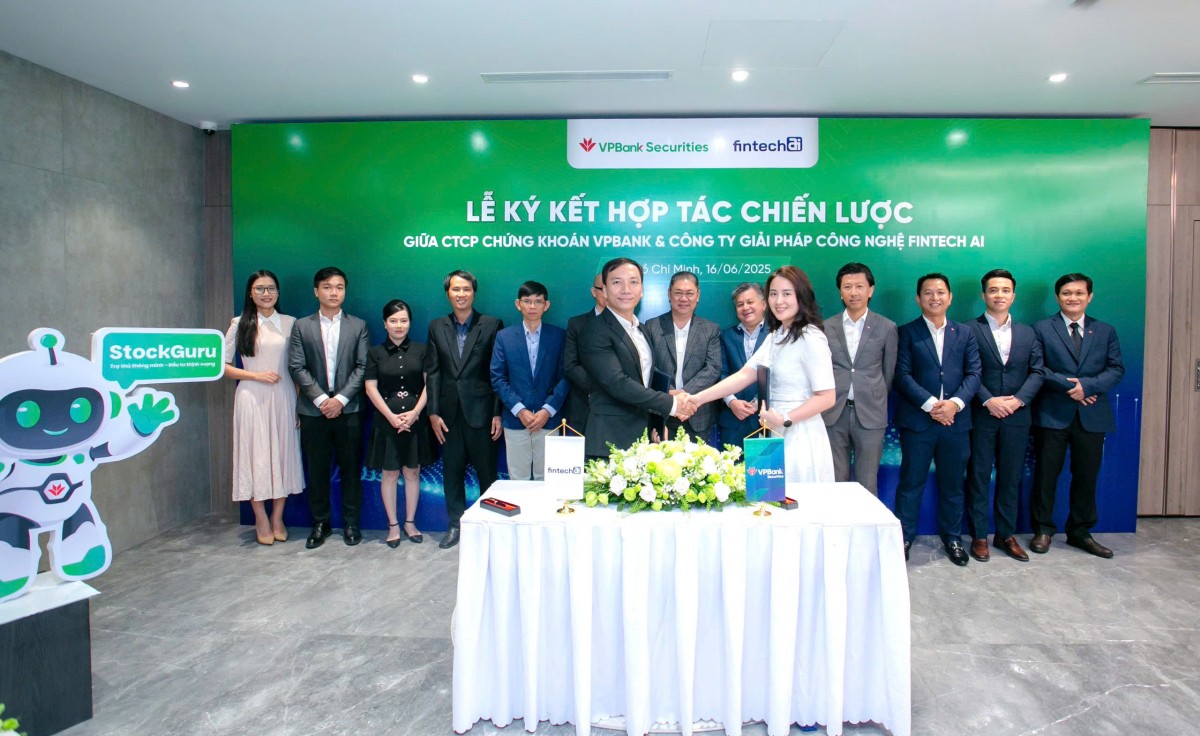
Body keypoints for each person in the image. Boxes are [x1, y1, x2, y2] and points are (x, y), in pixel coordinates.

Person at [685, 266, 836, 483]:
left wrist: (785, 419)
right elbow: (744, 375)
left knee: (797, 497)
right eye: (773, 294)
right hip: (773, 432)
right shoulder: (776, 336)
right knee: (768, 496)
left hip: (800, 434)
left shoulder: (811, 337)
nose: (778, 301)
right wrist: (696, 399)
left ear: (801, 296)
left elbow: (827, 397)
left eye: (786, 293)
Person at [1029, 273, 1125, 558]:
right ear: (1058, 297)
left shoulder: (1105, 330)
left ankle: (1080, 532)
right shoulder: (1041, 328)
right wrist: (1073, 387)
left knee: (1087, 475)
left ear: (1090, 297)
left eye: (1079, 293)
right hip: (1052, 413)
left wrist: (1088, 387)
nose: (1073, 298)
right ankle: (1043, 529)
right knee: (1046, 474)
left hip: (1092, 415)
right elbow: (1038, 368)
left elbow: (1116, 369)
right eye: (1067, 293)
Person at [893, 273, 981, 566]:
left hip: (956, 423)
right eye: (928, 293)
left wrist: (954, 404)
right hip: (918, 423)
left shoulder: (965, 333)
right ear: (918, 299)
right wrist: (932, 405)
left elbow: (974, 373)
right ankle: (903, 537)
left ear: (950, 297)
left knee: (953, 484)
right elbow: (902, 375)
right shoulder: (906, 332)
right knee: (910, 483)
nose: (935, 298)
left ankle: (952, 538)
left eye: (940, 292)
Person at [288, 266, 371, 549]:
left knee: (351, 470)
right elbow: (296, 366)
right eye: (327, 287)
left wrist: (340, 400)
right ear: (316, 291)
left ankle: (351, 524)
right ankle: (320, 524)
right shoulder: (301, 326)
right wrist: (323, 400)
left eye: (339, 287)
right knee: (317, 470)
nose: (333, 292)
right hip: (314, 411)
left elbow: (362, 366)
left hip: (349, 410)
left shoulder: (358, 325)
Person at [578, 257, 693, 460]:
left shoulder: (641, 329)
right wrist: (671, 403)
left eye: (633, 282)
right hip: (610, 441)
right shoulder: (594, 330)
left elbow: (642, 376)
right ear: (604, 290)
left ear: (641, 290)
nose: (626, 289)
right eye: (617, 282)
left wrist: (661, 409)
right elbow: (617, 383)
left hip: (643, 439)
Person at [964, 269, 1043, 562]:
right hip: (981, 414)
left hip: (1017, 416)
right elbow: (966, 370)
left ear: (1013, 295)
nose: (1000, 295)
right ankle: (979, 535)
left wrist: (1018, 400)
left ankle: (1005, 534)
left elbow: (1038, 371)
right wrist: (988, 400)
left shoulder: (1028, 332)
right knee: (979, 475)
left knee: (1011, 477)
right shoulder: (968, 330)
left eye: (1005, 290)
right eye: (993, 290)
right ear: (983, 295)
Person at [222, 270, 304, 546]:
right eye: (259, 289)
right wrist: (255, 375)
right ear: (250, 292)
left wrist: (297, 405)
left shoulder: (290, 323)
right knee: (254, 455)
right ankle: (260, 518)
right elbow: (222, 366)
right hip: (251, 396)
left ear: (278, 292)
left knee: (282, 455)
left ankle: (278, 518)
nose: (266, 294)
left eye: (270, 288)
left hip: (284, 396)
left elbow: (297, 367)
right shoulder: (239, 324)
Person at [425, 270, 503, 549]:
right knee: (452, 473)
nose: (461, 294)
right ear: (448, 293)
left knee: (487, 474)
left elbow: (497, 372)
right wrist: (433, 412)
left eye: (466, 289)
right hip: (448, 415)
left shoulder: (491, 324)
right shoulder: (437, 326)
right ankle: (455, 525)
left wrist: (497, 412)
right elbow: (433, 372)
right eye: (456, 289)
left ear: (474, 292)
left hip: (482, 413)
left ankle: (490, 526)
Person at [821, 262, 897, 495]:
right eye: (847, 287)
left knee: (867, 482)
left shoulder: (887, 327)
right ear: (840, 292)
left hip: (871, 413)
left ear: (870, 290)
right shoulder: (825, 327)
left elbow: (888, 373)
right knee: (835, 481)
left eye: (859, 286)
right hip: (833, 413)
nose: (853, 292)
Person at [363, 299, 431, 548]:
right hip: (386, 423)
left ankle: (410, 523)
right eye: (393, 321)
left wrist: (415, 413)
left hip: (416, 422)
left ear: (410, 322)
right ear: (385, 323)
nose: (399, 325)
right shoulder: (375, 353)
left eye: (403, 320)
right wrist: (391, 417)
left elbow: (429, 385)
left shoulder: (422, 350)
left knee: (412, 472)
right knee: (390, 473)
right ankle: (393, 525)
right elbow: (370, 388)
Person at [490, 281, 570, 480]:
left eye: (538, 301)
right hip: (516, 420)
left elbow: (566, 376)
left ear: (546, 305)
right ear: (518, 304)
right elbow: (498, 378)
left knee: (548, 479)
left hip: (549, 420)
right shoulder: (504, 337)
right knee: (518, 480)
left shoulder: (559, 336)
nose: (532, 306)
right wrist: (520, 410)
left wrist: (547, 410)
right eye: (527, 301)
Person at [645, 271, 722, 442]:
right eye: (678, 293)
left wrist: (684, 397)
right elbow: (648, 366)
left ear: (698, 295)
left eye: (689, 293)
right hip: (663, 411)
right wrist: (671, 395)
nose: (683, 298)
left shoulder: (710, 329)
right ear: (669, 294)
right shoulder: (652, 326)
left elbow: (713, 368)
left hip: (697, 414)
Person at [717, 282, 769, 450]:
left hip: (767, 420)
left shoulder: (777, 334)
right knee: (730, 466)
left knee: (765, 467)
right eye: (740, 304)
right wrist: (732, 401)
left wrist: (758, 401)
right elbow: (721, 372)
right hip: (733, 420)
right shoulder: (726, 336)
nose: (745, 307)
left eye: (750, 302)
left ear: (764, 304)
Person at [562, 273, 606, 433]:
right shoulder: (577, 324)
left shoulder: (631, 325)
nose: (609, 294)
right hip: (584, 406)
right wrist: (600, 390)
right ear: (594, 292)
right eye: (604, 289)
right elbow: (571, 365)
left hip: (620, 412)